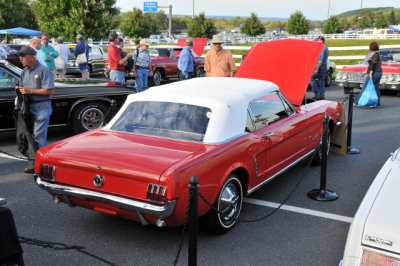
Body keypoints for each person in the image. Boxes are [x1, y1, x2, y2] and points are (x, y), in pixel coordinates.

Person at [16, 45, 54, 173]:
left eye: (23, 56)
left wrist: (29, 90)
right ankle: (34, 164)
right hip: (28, 108)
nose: (20, 59)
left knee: (38, 136)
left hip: (41, 107)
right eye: (20, 57)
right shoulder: (24, 71)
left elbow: (50, 90)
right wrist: (19, 90)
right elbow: (22, 88)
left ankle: (43, 165)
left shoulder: (43, 70)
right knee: (30, 137)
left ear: (32, 57)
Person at [357, 41, 383, 107]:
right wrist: (366, 72)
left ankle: (357, 101)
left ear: (371, 48)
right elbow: (371, 65)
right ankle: (377, 103)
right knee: (376, 88)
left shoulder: (375, 55)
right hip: (379, 72)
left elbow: (373, 65)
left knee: (365, 87)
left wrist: (370, 73)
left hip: (375, 73)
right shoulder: (376, 54)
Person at [311, 36, 329, 100]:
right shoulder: (326, 47)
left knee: (312, 79)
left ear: (321, 41)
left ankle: (317, 94)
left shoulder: (321, 48)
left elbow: (320, 60)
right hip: (324, 66)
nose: (316, 41)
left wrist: (316, 69)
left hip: (320, 67)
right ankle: (322, 95)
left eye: (317, 40)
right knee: (322, 81)